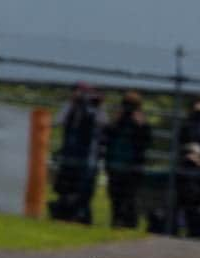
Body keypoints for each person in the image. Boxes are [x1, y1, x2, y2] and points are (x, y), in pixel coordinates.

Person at [50, 82, 107, 224]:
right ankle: (64, 213)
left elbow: (104, 123)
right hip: (69, 154)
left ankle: (81, 215)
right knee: (66, 186)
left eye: (87, 92)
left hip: (87, 156)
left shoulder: (95, 108)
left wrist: (97, 106)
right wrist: (72, 104)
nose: (84, 96)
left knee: (84, 188)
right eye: (80, 91)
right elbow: (57, 121)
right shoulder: (70, 106)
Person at [102, 91, 151, 228]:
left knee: (130, 199)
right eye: (127, 105)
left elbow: (145, 143)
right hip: (115, 166)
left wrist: (141, 125)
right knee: (115, 199)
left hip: (132, 168)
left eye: (132, 106)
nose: (129, 109)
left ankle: (130, 224)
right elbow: (106, 137)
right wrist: (115, 121)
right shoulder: (117, 122)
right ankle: (116, 222)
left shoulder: (141, 123)